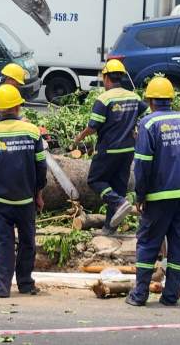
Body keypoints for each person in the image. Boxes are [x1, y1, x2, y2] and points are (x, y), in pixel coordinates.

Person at [126, 76, 180, 307]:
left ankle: (139, 295)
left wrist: (141, 195)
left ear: (150, 101)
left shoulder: (148, 125)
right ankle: (171, 295)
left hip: (158, 197)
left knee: (148, 243)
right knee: (178, 245)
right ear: (171, 99)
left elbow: (142, 165)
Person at [0, 83, 47, 298]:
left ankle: (1, 287)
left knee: (2, 243)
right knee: (27, 242)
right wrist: (39, 194)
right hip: (26, 200)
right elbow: (41, 167)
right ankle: (26, 284)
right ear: (18, 107)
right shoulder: (33, 132)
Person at [70, 59, 146, 232]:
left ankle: (119, 202)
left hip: (109, 149)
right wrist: (137, 131)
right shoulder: (133, 96)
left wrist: (79, 137)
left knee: (95, 180)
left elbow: (93, 126)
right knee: (118, 186)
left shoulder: (104, 99)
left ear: (106, 78)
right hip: (128, 149)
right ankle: (109, 228)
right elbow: (146, 115)